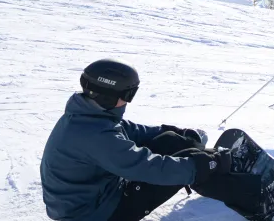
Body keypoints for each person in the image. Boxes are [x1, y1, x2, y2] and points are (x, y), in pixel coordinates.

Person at [41, 59, 260, 221]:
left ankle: (223, 168)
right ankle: (255, 195)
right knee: (188, 165)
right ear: (109, 95)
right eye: (129, 95)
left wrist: (175, 133)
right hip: (96, 214)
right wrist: (203, 165)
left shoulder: (86, 115)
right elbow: (150, 168)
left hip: (97, 196)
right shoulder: (95, 136)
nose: (129, 101)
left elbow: (131, 130)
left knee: (172, 142)